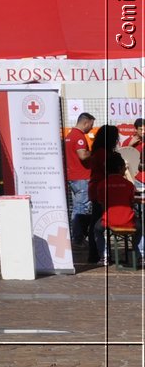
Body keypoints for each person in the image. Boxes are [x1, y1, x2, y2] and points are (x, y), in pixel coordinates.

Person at [88, 151, 140, 265]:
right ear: (121, 168)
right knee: (140, 228)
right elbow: (132, 202)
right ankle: (139, 253)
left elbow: (102, 204)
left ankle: (103, 255)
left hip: (108, 220)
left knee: (96, 230)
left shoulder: (101, 185)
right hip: (128, 219)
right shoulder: (129, 185)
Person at [65, 112, 96, 261]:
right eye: (91, 124)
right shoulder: (78, 137)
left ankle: (76, 237)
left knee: (77, 207)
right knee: (81, 208)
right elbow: (83, 155)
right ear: (86, 122)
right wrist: (94, 152)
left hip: (73, 176)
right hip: (81, 177)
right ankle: (78, 239)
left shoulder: (70, 135)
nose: (91, 128)